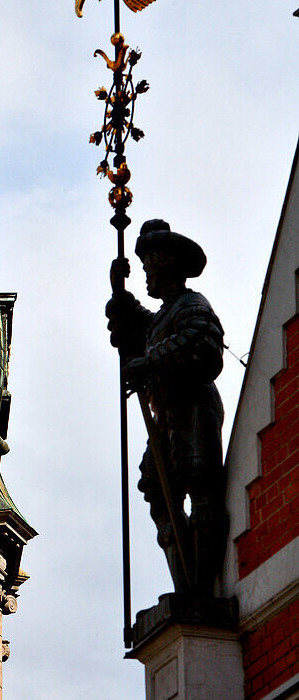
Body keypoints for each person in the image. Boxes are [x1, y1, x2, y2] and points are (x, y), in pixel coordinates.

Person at [106, 220, 227, 596]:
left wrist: (152, 361)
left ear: (166, 268)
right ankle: (184, 582)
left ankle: (201, 587)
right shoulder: (162, 316)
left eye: (149, 268)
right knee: (159, 489)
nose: (145, 276)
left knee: (200, 490)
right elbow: (137, 328)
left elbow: (202, 344)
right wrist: (117, 291)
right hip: (168, 417)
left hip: (192, 411)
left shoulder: (193, 305)